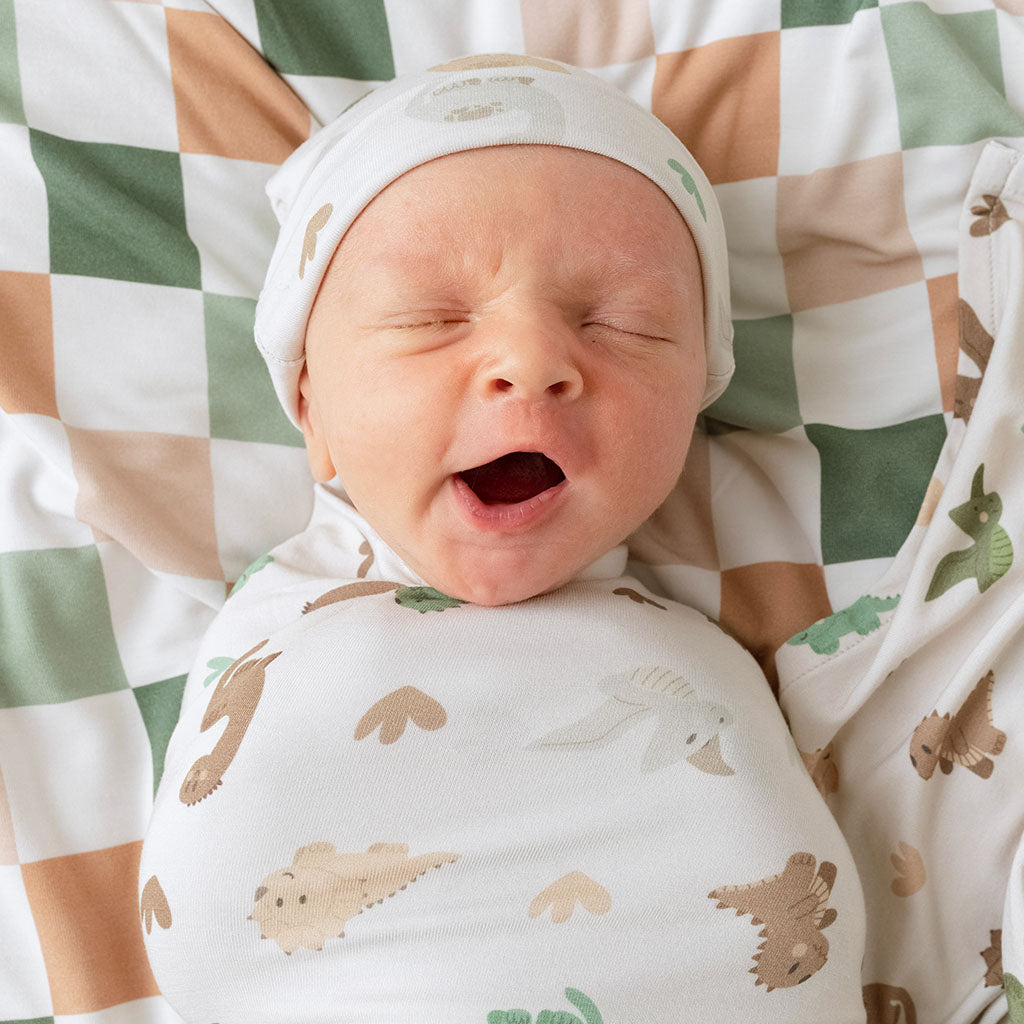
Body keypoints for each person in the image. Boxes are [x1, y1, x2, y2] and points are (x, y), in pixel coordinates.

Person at [138, 53, 867, 1022]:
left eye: (625, 323)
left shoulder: (719, 651)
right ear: (309, 403)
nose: (531, 361)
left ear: (695, 399)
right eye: (431, 318)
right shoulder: (283, 637)